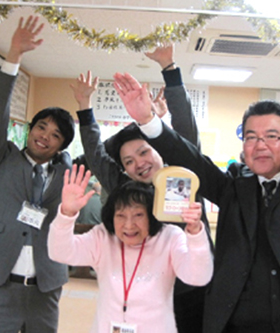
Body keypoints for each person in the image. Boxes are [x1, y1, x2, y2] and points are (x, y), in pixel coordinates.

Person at [114, 27, 280, 333]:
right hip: (237, 320)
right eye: (251, 137)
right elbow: (191, 160)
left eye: (272, 136)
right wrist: (148, 121)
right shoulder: (232, 187)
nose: (260, 145)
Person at [71, 43, 212, 332]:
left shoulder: (182, 173)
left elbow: (185, 127)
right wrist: (85, 108)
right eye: (129, 161)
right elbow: (97, 157)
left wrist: (169, 68)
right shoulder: (126, 188)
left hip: (189, 292)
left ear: (158, 149)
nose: (139, 163)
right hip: (141, 295)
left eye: (144, 152)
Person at [0, 16, 75, 332]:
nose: (44, 136)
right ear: (29, 130)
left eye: (55, 135)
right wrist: (14, 58)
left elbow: (98, 158)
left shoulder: (66, 172)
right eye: (41, 127)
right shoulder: (1, 156)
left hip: (46, 287)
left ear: (61, 144)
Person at [48, 164, 213, 333]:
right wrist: (67, 214)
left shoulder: (169, 237)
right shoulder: (103, 237)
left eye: (138, 215)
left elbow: (198, 277)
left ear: (152, 214)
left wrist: (195, 233)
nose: (128, 225)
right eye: (120, 215)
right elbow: (60, 252)